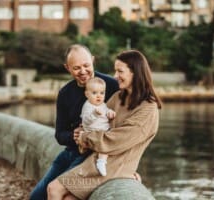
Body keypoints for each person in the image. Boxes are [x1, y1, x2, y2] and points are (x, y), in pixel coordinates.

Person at [47, 49, 162, 200]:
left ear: (135, 72)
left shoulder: (148, 108)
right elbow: (95, 120)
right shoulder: (118, 97)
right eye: (115, 71)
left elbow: (117, 140)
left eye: (120, 71)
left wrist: (84, 137)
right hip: (99, 160)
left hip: (114, 168)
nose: (115, 76)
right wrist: (83, 132)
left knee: (54, 189)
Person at [29, 44, 119, 200]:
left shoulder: (111, 85)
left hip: (91, 155)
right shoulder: (65, 93)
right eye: (76, 68)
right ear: (67, 68)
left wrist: (128, 167)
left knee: (59, 193)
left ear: (93, 60)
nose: (83, 72)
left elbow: (128, 128)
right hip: (69, 152)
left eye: (86, 65)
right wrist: (74, 135)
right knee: (36, 196)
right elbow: (59, 134)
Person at [78, 77, 116, 176]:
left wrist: (110, 112)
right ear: (87, 94)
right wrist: (94, 114)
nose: (98, 96)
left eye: (102, 93)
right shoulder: (88, 106)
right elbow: (86, 120)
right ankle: (101, 162)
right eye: (94, 93)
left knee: (112, 141)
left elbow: (106, 111)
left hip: (103, 130)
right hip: (93, 132)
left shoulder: (102, 104)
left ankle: (103, 160)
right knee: (104, 146)